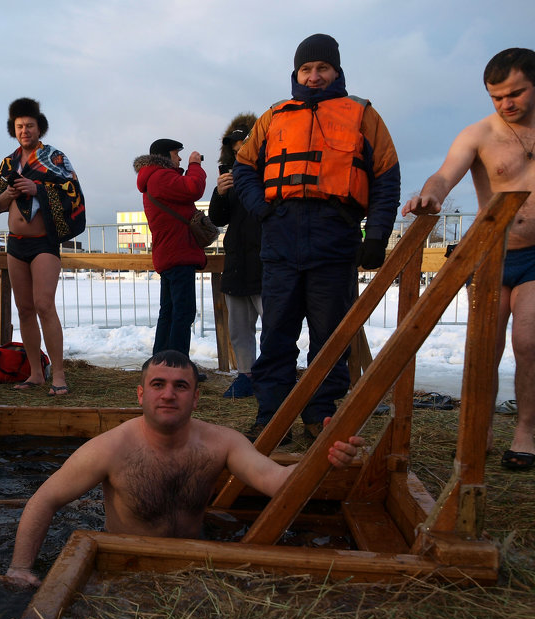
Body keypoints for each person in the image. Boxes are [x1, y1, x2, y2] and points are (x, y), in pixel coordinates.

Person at [5, 350, 363, 586]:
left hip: (197, 567)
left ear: (196, 397)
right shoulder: (110, 449)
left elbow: (276, 480)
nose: (168, 394)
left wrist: (324, 458)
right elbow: (45, 499)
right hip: (125, 570)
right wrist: (20, 569)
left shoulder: (222, 442)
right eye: (157, 385)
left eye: (180, 386)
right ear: (141, 395)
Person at [402, 47, 535, 471]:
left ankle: (524, 432)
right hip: (491, 254)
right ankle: (481, 426)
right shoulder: (478, 134)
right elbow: (445, 174)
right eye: (496, 97)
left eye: (515, 93)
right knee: (485, 347)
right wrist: (430, 195)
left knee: (528, 341)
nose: (506, 104)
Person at [233, 34, 400, 441]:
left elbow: (386, 178)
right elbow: (243, 169)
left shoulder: (363, 114)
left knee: (331, 337)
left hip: (335, 237)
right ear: (296, 73)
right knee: (276, 334)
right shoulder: (273, 116)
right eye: (306, 69)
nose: (313, 76)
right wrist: (262, 209)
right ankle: (271, 415)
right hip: (280, 238)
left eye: (322, 68)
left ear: (336, 71)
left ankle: (320, 416)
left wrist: (376, 235)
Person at [0, 97, 85, 397]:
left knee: (44, 305)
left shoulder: (55, 158)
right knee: (25, 309)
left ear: (39, 127)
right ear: (13, 129)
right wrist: (8, 194)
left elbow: (73, 194)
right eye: (19, 126)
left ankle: (58, 373)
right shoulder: (9, 162)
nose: (24, 130)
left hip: (44, 242)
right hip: (15, 243)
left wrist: (38, 189)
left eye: (29, 125)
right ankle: (34, 373)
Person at [133, 138, 207, 358]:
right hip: (178, 253)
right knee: (182, 312)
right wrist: (195, 166)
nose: (180, 158)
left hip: (170, 253)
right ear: (166, 156)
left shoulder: (154, 178)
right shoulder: (161, 176)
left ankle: (162, 361)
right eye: (177, 154)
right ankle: (176, 365)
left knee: (170, 311)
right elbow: (193, 188)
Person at [208, 115, 263, 399]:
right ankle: (245, 375)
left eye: (245, 143)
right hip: (236, 261)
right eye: (235, 145)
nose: (240, 149)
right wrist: (219, 193)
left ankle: (274, 375)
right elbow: (217, 218)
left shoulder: (269, 172)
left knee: (276, 325)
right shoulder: (228, 176)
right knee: (240, 328)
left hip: (266, 261)